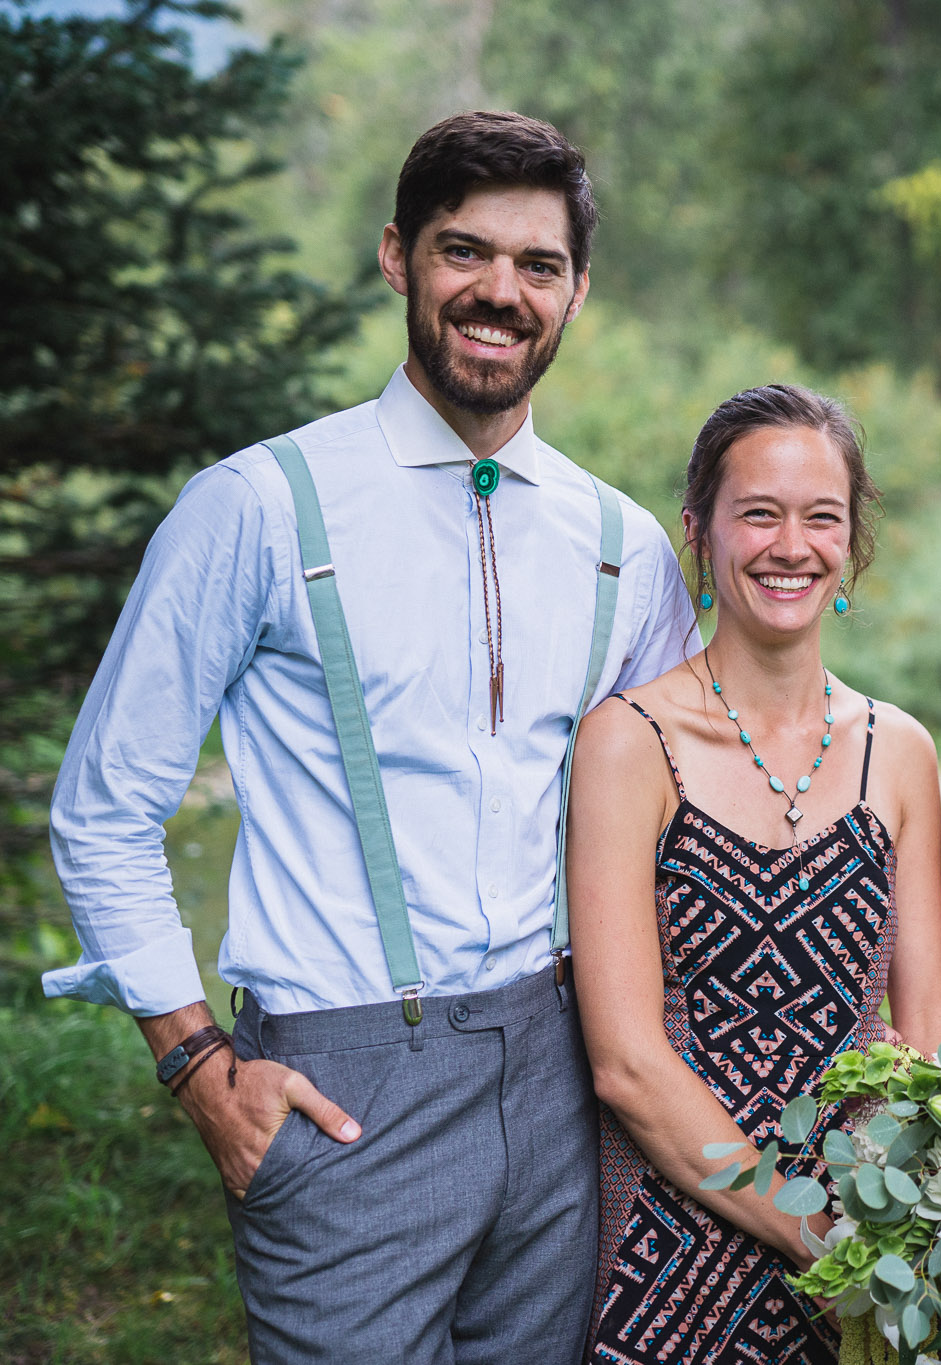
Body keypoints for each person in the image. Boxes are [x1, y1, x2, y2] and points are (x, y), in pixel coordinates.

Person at [41, 111, 695, 1362]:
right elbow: (104, 809)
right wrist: (196, 1068)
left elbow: (686, 821)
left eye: (538, 265)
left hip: (563, 1082)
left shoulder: (622, 544)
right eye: (465, 251)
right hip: (342, 1089)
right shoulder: (258, 505)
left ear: (576, 292)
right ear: (399, 256)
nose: (500, 292)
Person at [570, 384, 941, 1363]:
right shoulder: (629, 742)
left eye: (821, 516)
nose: (791, 546)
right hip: (677, 1253)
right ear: (698, 532)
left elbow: (928, 1034)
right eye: (758, 514)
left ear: (852, 541)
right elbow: (625, 1061)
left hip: (871, 1249)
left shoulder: (899, 751)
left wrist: (922, 1228)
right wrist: (809, 1234)